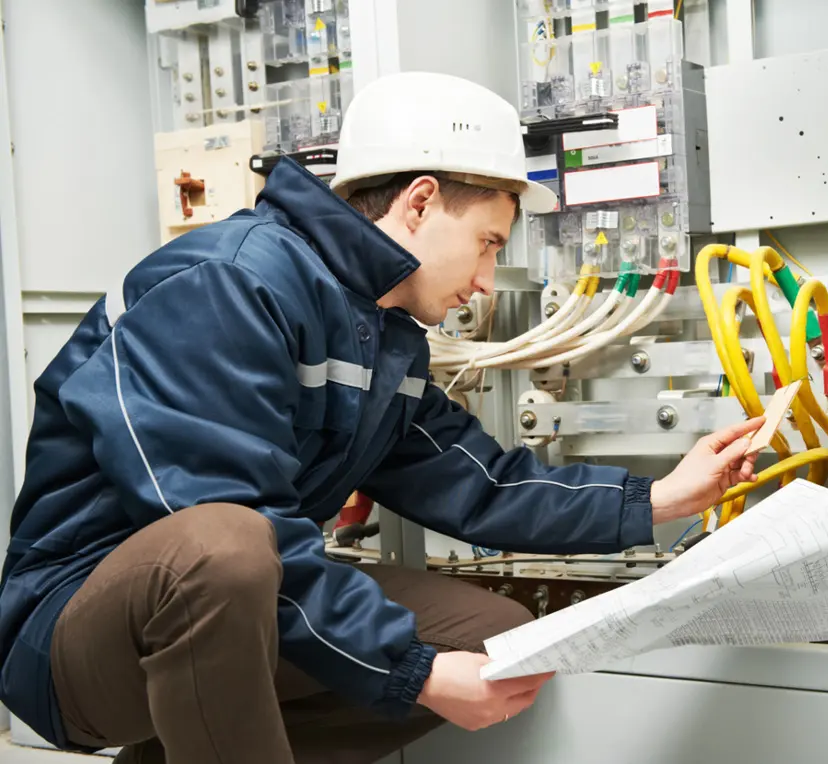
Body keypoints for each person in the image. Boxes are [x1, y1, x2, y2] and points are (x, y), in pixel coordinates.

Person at [0, 71, 761, 764]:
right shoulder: (229, 285)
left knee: (497, 644)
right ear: (420, 202)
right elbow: (219, 515)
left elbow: (483, 484)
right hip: (74, 631)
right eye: (488, 244)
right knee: (227, 544)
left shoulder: (380, 339)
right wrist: (415, 673)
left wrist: (663, 498)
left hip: (229, 608)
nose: (489, 282)